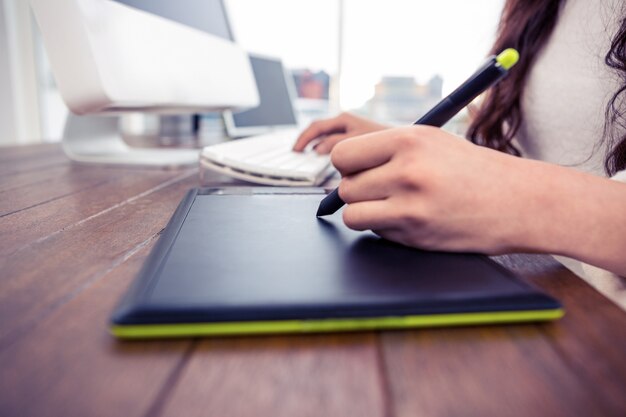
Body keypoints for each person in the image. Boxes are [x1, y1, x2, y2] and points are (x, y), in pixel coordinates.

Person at [292, 0, 626, 286]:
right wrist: (406, 142)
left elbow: (514, 180)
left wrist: (519, 197)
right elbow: (523, 150)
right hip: (528, 278)